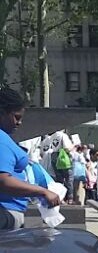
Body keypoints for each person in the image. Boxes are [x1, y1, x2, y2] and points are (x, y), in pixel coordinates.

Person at [0, 87, 62, 231]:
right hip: (5, 213)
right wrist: (42, 191)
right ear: (2, 113)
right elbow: (3, 181)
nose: (19, 123)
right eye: (16, 117)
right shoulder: (1, 141)